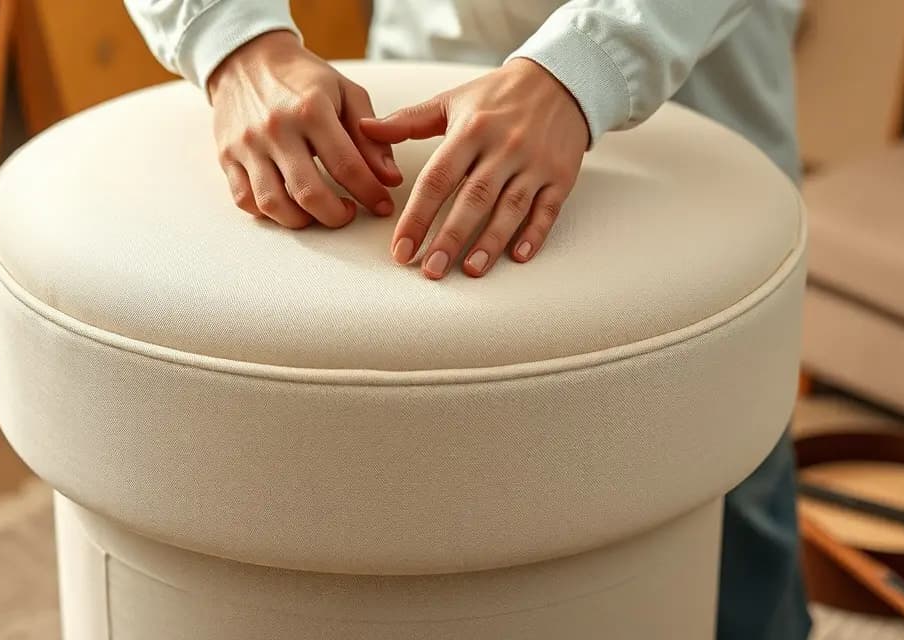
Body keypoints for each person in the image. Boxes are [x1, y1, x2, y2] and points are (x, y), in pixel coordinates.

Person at [125, 1, 810, 638]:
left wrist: (581, 70)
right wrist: (234, 41)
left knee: (733, 492)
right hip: (422, 73)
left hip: (688, 118)